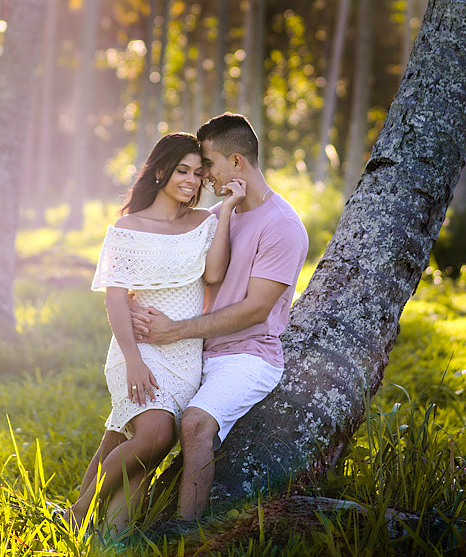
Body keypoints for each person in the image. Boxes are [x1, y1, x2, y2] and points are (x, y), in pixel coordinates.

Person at [131, 112, 309, 523]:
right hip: (195, 352)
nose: (202, 174)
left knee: (195, 424)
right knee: (139, 424)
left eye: (208, 164)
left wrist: (175, 331)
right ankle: (87, 515)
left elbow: (256, 309)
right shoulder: (218, 215)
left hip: (247, 356)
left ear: (236, 163)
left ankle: (185, 534)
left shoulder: (283, 226)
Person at [69, 132, 245, 533]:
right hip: (138, 349)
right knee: (156, 435)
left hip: (185, 356)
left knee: (139, 454)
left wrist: (227, 209)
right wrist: (133, 361)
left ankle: (111, 538)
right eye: (183, 170)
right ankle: (80, 510)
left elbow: (214, 273)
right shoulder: (128, 228)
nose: (192, 180)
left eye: (198, 173)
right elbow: (115, 300)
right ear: (161, 171)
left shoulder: (205, 221)